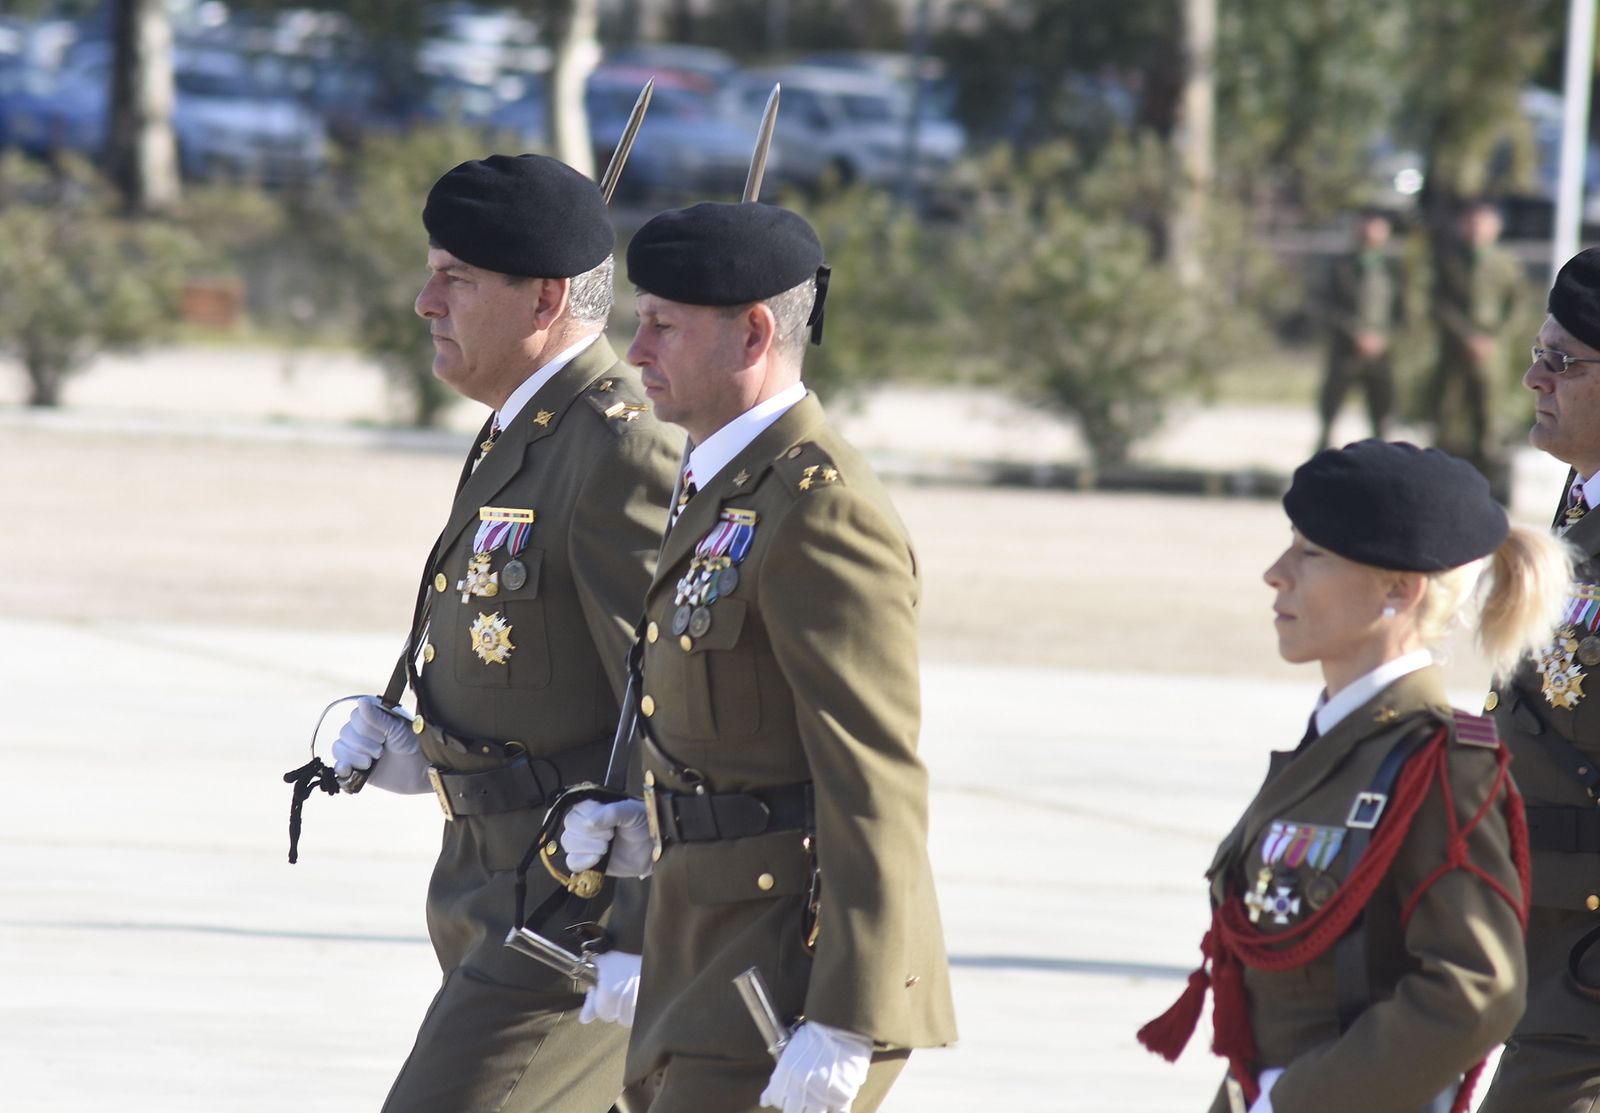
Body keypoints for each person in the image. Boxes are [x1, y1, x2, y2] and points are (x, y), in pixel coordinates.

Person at [556, 201, 958, 1112]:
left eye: (662, 324)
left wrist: (849, 1014)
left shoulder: (820, 507)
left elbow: (872, 774)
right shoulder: (718, 485)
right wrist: (628, 884)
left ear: (753, 333)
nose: (637, 345)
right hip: (701, 938)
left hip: (787, 960)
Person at [326, 153, 680, 1113]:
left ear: (545, 300)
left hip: (570, 914)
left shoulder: (620, 445)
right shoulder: (528, 428)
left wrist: (640, 931)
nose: (423, 300)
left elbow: (672, 708)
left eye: (458, 278)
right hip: (489, 884)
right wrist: (425, 752)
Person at [1139, 439, 1574, 1113]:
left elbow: (1475, 991)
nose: (1276, 574)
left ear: (1398, 590)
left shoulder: (1441, 762)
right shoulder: (1339, 741)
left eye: (1310, 554)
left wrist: (1297, 1099)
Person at [1478, 247, 1600, 1113]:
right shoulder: (1581, 500)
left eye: (1561, 361)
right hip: (1540, 931)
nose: (1532, 377)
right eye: (1537, 349)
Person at [1431, 199, 1527, 487]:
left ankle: (1489, 482)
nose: (1476, 230)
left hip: (1492, 352)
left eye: (1482, 224)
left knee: (1489, 416)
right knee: (1447, 412)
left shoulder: (1506, 262)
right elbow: (1438, 303)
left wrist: (1493, 338)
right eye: (1471, 223)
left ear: (1494, 228)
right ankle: (1441, 477)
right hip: (1455, 350)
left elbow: (1518, 304)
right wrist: (1465, 336)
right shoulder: (1449, 260)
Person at [1315, 210, 1406, 450]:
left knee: (1382, 412)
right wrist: (1356, 335)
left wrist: (1383, 338)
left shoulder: (1393, 269)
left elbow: (1403, 311)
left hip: (1382, 351)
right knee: (1331, 409)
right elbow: (1327, 305)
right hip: (1347, 350)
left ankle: (1381, 458)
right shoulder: (1341, 266)